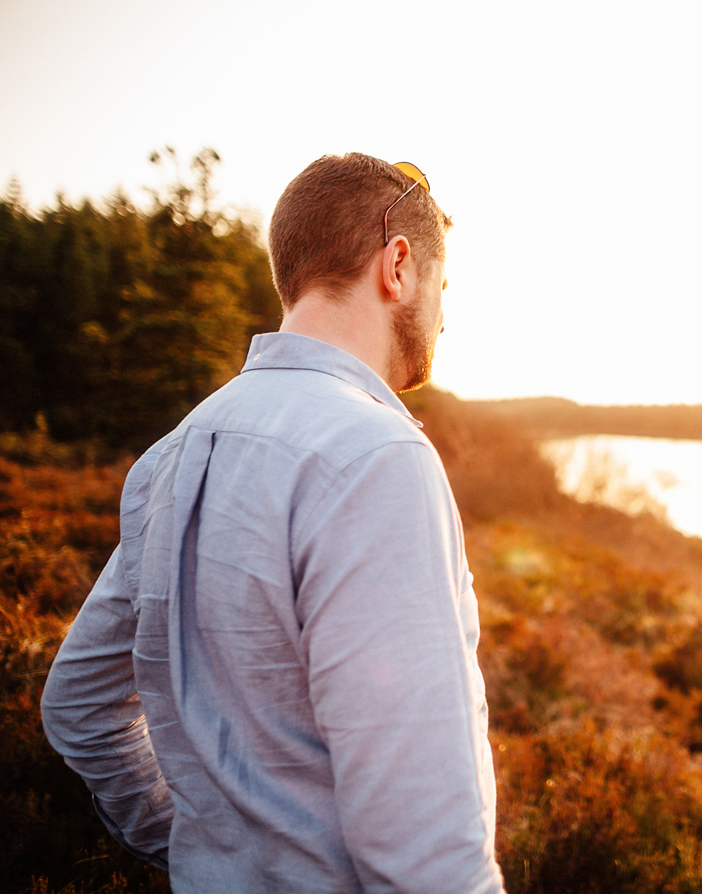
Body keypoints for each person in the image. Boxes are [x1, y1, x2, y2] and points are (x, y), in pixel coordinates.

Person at [41, 153, 505, 893]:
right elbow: (425, 855)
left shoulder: (173, 451)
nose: (447, 319)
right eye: (444, 289)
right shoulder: (378, 454)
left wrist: (206, 851)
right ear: (399, 266)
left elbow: (79, 707)